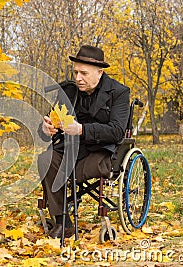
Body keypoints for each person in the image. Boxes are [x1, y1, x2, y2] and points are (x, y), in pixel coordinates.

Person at [38, 45, 130, 238]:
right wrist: (46, 129)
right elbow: (50, 122)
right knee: (45, 159)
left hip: (101, 150)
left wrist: (81, 130)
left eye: (83, 73)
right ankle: (63, 222)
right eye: (76, 72)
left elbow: (117, 131)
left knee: (72, 171)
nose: (78, 78)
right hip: (70, 148)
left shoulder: (118, 92)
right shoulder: (68, 91)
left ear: (99, 72)